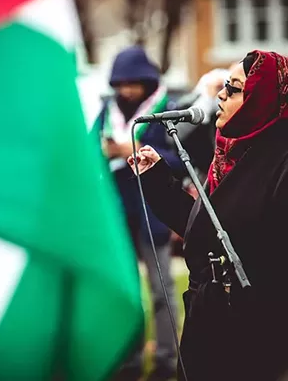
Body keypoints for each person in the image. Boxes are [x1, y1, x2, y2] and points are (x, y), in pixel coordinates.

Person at [127, 50, 288, 381]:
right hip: (207, 324)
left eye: (235, 88)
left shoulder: (280, 163)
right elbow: (207, 229)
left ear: (263, 97)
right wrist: (158, 180)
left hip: (251, 334)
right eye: (224, 85)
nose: (221, 95)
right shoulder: (230, 155)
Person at [95, 45, 182, 380]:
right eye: (121, 83)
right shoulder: (105, 113)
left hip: (155, 215)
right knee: (125, 293)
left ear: (147, 82)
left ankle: (165, 360)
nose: (126, 90)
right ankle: (128, 360)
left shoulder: (166, 111)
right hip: (117, 216)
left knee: (162, 291)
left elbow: (177, 161)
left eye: (133, 83)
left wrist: (129, 149)